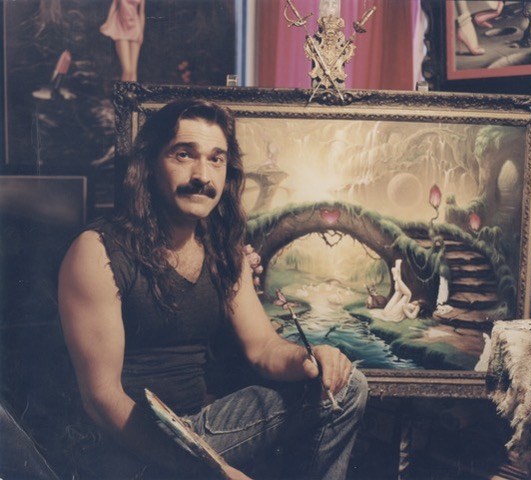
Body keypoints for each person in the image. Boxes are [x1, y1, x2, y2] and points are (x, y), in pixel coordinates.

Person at [58, 99, 368, 479]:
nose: (202, 175)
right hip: (129, 440)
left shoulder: (224, 250)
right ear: (150, 164)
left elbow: (263, 347)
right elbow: (101, 399)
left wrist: (311, 358)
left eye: (216, 159)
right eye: (184, 155)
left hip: (199, 429)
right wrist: (212, 468)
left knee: (347, 386)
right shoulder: (96, 251)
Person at [100, 0, 145, 81]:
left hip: (135, 28)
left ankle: (132, 89)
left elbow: (141, 13)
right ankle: (124, 89)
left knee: (133, 71)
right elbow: (114, 7)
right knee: (127, 70)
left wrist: (141, 33)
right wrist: (108, 22)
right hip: (120, 27)